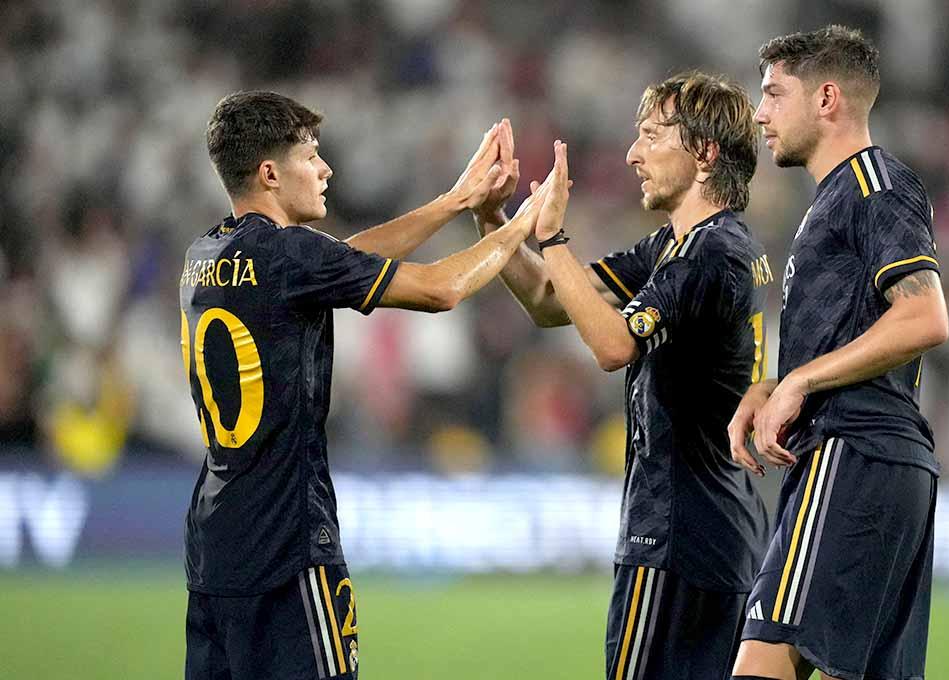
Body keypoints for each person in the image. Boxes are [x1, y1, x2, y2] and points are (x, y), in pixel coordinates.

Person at [180, 90, 555, 680]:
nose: (326, 168)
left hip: (215, 545)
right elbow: (440, 290)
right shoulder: (292, 257)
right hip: (288, 546)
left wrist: (454, 202)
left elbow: (344, 261)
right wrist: (519, 226)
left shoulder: (208, 252)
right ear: (271, 173)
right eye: (310, 156)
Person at [473, 73, 771, 680]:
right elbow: (553, 302)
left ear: (705, 153)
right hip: (723, 529)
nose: (633, 153)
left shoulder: (706, 256)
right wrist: (493, 220)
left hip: (677, 535)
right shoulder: (686, 245)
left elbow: (611, 346)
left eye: (651, 136)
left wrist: (553, 233)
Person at [727, 26, 949, 680]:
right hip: (871, 458)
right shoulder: (834, 198)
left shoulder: (873, 182)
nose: (760, 112)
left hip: (852, 449)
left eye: (773, 94)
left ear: (827, 99)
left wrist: (800, 380)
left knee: (763, 664)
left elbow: (924, 315)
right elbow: (858, 327)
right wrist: (773, 387)